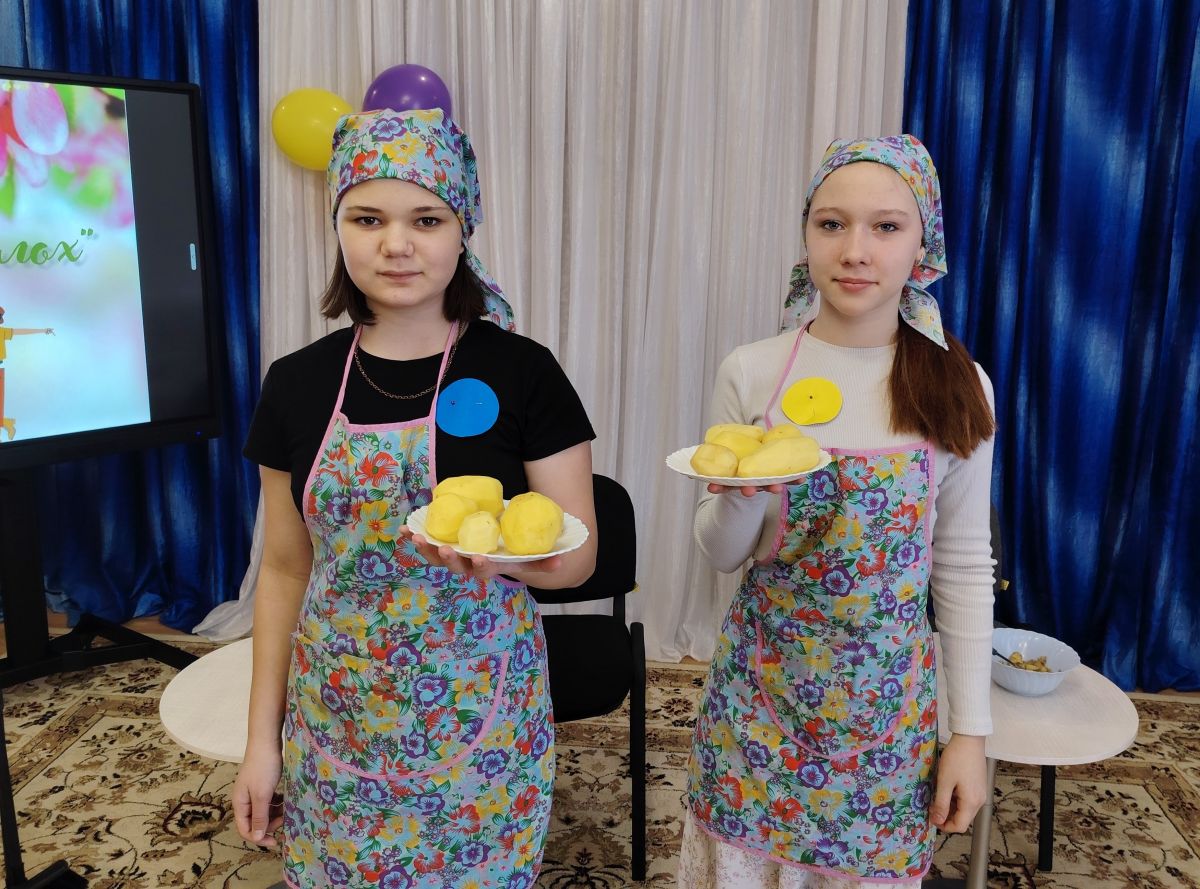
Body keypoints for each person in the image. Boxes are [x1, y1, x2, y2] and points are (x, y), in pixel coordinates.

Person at [232, 107, 598, 889]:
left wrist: (502, 561)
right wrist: (261, 741)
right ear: (339, 228)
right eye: (368, 218)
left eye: (425, 219)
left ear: (462, 230)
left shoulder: (523, 371)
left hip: (480, 720)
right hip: (339, 715)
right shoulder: (295, 383)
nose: (395, 243)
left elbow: (578, 559)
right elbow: (285, 570)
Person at [679, 135, 996, 887]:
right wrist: (743, 495)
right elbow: (721, 553)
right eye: (831, 224)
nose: (855, 250)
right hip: (758, 707)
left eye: (886, 226)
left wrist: (970, 735)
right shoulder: (753, 370)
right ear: (806, 235)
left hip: (885, 724)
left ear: (923, 244)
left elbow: (961, 564)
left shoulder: (959, 383)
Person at [0, 306, 55, 441]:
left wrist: (43, 330)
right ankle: (7, 425)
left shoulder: (2, 332)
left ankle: (7, 425)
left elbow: (21, 331)